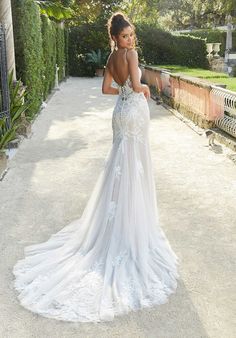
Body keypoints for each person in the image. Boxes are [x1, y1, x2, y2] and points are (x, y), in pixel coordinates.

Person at [12, 12, 180, 323]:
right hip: (134, 114)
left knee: (122, 167)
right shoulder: (131, 55)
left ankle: (118, 224)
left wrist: (128, 92)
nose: (130, 39)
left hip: (119, 114)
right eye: (125, 35)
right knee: (135, 168)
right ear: (116, 37)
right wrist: (144, 89)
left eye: (131, 34)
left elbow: (107, 89)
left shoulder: (113, 56)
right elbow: (135, 82)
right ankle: (132, 229)